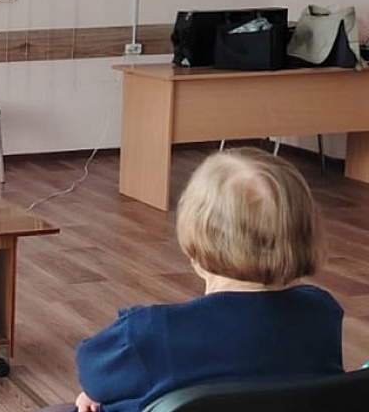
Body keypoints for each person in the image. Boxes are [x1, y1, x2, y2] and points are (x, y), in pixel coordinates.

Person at [38, 147, 343, 412]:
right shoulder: (322, 313)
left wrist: (95, 392)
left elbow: (93, 374)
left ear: (194, 238)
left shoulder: (148, 332)